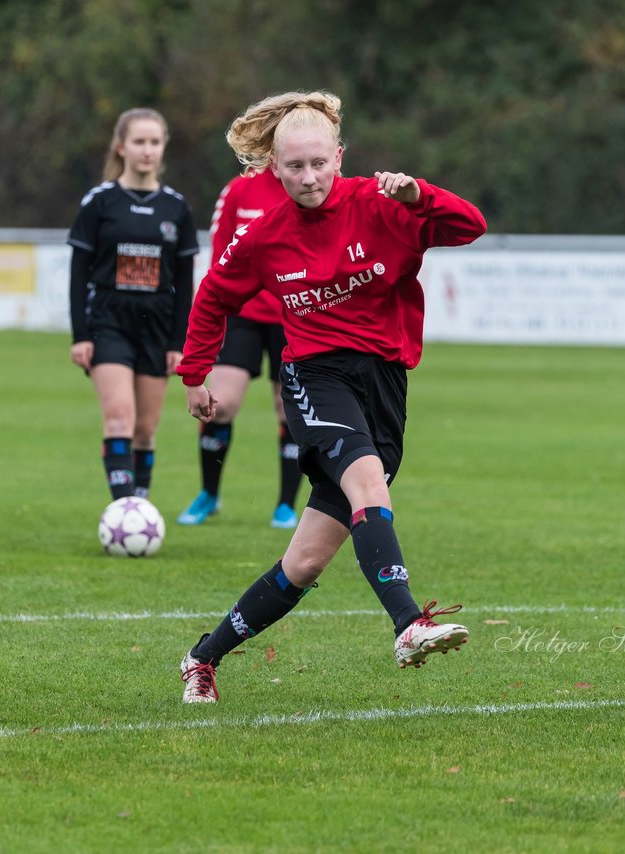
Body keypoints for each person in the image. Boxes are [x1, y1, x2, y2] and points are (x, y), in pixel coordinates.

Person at [175, 91, 487, 703]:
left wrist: (420, 196)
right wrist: (194, 375)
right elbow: (214, 296)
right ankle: (408, 625)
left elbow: (470, 225)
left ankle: (201, 658)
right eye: (294, 167)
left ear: (338, 157)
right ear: (274, 168)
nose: (308, 177)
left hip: (384, 383)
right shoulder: (265, 235)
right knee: (370, 485)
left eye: (319, 163)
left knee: (305, 565)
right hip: (315, 378)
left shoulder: (381, 202)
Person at [68, 108, 199, 503]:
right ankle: (125, 509)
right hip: (108, 321)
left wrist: (181, 344)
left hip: (158, 325)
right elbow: (78, 275)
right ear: (122, 147)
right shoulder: (99, 202)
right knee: (120, 417)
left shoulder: (177, 208)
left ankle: (139, 504)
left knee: (145, 430)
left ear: (163, 149)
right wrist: (81, 336)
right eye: (139, 142)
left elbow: (185, 284)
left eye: (155, 143)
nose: (147, 151)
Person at [176, 166, 305, 529]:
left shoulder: (310, 185)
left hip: (293, 313)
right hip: (242, 314)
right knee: (222, 404)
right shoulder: (238, 190)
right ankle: (209, 495)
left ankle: (285, 505)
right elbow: (219, 258)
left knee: (289, 408)